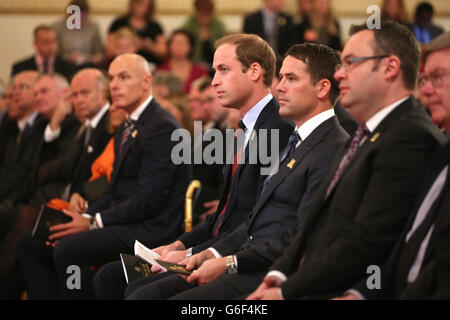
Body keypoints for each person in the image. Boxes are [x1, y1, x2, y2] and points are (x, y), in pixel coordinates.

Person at [127, 43, 349, 300]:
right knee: (137, 288)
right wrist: (205, 254)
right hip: (246, 259)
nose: (279, 87)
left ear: (322, 88)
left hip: (268, 273)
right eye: (281, 78)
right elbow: (255, 218)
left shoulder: (331, 146)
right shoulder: (298, 139)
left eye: (291, 78)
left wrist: (229, 262)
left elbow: (302, 235)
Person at [247, 21, 446, 300]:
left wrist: (287, 291)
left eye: (351, 62)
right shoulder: (364, 131)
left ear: (389, 68)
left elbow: (368, 241)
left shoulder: (409, 135)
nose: (340, 74)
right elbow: (315, 221)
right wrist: (277, 275)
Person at [93, 33, 293, 300]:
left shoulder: (277, 128)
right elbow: (223, 214)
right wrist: (178, 244)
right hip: (216, 245)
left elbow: (254, 222)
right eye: (214, 72)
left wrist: (195, 254)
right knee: (111, 276)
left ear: (255, 71)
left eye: (224, 70)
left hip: (242, 258)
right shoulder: (244, 128)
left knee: (140, 293)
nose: (214, 82)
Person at [17, 54, 191, 300]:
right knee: (32, 243)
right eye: (111, 78)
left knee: (68, 250)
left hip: (151, 228)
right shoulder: (129, 123)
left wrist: (94, 221)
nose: (115, 85)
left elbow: (149, 199)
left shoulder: (161, 126)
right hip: (127, 219)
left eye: (124, 77)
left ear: (146, 81)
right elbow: (113, 188)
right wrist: (87, 215)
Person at [335, 31, 450, 300]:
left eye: (439, 77)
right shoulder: (443, 154)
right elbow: (410, 247)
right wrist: (358, 295)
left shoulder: (415, 138)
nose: (427, 90)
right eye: (426, 79)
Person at [107, 0, 167, 66]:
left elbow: (163, 51)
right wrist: (127, 46)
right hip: (122, 63)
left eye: (147, 5)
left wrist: (150, 46)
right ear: (133, 4)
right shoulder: (119, 23)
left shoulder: (155, 26)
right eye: (140, 4)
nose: (143, 8)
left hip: (149, 64)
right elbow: (109, 50)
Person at [11, 25, 78, 80]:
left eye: (53, 41)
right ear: (35, 43)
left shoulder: (68, 67)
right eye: (46, 42)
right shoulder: (20, 68)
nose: (51, 46)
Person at [52, 0, 104, 67]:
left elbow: (100, 54)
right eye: (77, 18)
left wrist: (88, 58)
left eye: (83, 18)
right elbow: (53, 54)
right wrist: (68, 57)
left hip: (87, 65)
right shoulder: (57, 27)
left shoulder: (93, 27)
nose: (80, 21)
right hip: (63, 66)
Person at [156, 29, 209, 94]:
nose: (178, 46)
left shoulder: (200, 72)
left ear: (191, 47)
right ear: (169, 46)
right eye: (175, 42)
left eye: (183, 43)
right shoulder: (161, 71)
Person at [181, 0, 227, 66]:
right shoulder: (189, 23)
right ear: (196, 12)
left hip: (215, 62)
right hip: (193, 62)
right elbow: (186, 45)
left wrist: (209, 38)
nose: (204, 18)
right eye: (202, 14)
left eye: (207, 14)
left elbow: (222, 47)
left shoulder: (218, 24)